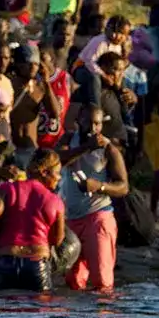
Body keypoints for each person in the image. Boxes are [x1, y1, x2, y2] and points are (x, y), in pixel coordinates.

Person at [59, 106, 128, 291]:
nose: (92, 128)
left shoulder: (109, 149)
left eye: (97, 124)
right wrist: (85, 148)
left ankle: (103, 317)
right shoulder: (69, 140)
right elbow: (58, 160)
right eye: (88, 122)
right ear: (78, 121)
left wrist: (99, 186)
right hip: (72, 219)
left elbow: (123, 187)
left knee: (102, 283)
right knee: (73, 281)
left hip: (98, 218)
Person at [0, 148, 65, 292]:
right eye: (57, 172)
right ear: (45, 172)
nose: (59, 177)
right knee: (41, 310)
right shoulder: (55, 201)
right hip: (37, 265)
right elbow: (57, 240)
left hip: (7, 261)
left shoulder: (7, 188)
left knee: (5, 310)